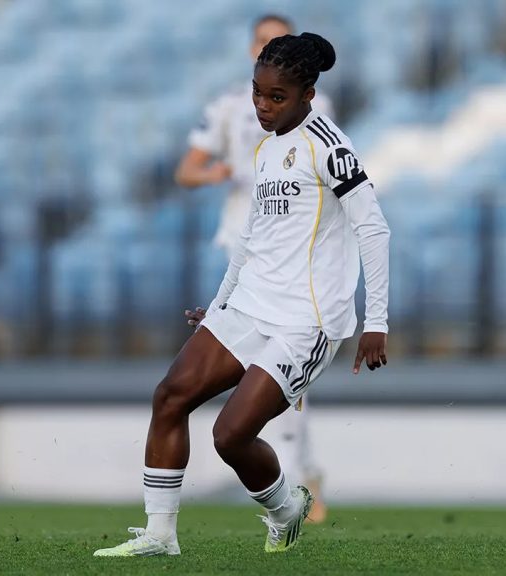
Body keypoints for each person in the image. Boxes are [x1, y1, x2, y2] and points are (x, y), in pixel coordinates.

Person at [95, 32, 390, 557]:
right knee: (171, 396)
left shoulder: (331, 148)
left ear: (308, 96)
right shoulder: (265, 146)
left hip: (306, 320)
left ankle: (285, 508)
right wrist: (221, 301)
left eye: (276, 97)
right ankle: (160, 535)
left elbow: (374, 230)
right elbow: (253, 236)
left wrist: (377, 322)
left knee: (230, 435)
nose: (262, 105)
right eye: (258, 93)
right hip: (251, 304)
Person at [174, 13, 336, 524]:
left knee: (281, 373)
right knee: (258, 374)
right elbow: (186, 170)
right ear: (252, 50)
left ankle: (292, 478)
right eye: (264, 42)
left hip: (293, 255)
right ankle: (295, 476)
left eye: (279, 41)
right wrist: (221, 171)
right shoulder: (229, 107)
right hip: (242, 248)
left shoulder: (316, 109)